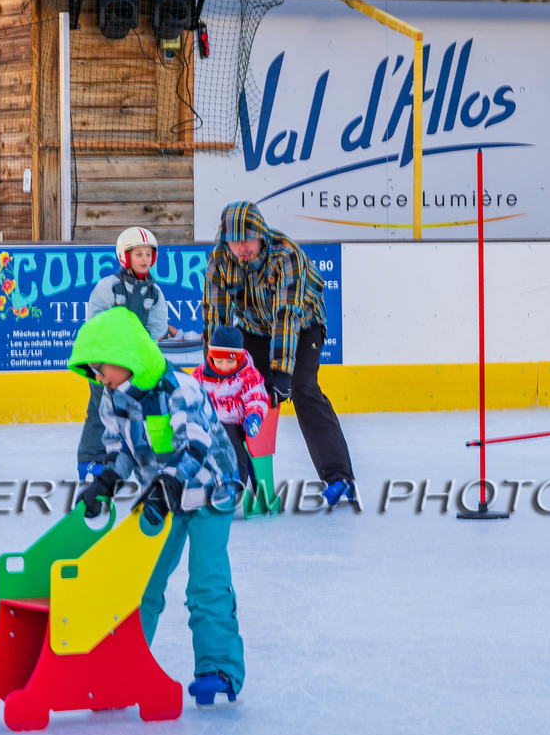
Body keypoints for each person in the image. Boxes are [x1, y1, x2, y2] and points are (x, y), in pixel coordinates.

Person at [68, 307, 245, 708]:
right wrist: (107, 481)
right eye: (93, 370)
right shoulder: (113, 401)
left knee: (206, 580)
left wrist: (165, 487)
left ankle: (218, 668)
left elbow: (196, 447)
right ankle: (126, 667)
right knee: (142, 581)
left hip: (212, 488)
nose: (99, 377)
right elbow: (121, 451)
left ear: (128, 356)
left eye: (102, 367)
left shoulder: (181, 389)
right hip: (165, 494)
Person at [204, 201, 356, 506]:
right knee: (232, 392)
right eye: (235, 242)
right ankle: (234, 478)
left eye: (247, 240)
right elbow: (215, 316)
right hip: (253, 329)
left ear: (261, 234)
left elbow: (287, 316)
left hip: (303, 328)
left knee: (302, 388)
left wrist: (282, 373)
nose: (241, 248)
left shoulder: (286, 254)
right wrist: (213, 367)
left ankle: (339, 477)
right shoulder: (220, 259)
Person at [75, 226, 178, 480]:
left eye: (148, 254)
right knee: (102, 407)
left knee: (147, 409)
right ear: (125, 256)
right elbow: (97, 324)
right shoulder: (109, 287)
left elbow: (155, 332)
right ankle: (91, 460)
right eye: (138, 254)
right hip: (108, 362)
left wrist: (144, 354)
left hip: (135, 365)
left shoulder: (155, 293)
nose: (144, 259)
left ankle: (155, 459)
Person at [192, 325, 270, 487]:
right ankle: (201, 485)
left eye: (230, 361)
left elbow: (256, 397)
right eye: (219, 361)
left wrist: (254, 416)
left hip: (237, 426)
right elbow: (191, 395)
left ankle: (236, 486)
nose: (225, 366)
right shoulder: (201, 375)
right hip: (210, 424)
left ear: (239, 358)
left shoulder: (247, 375)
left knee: (233, 448)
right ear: (211, 357)